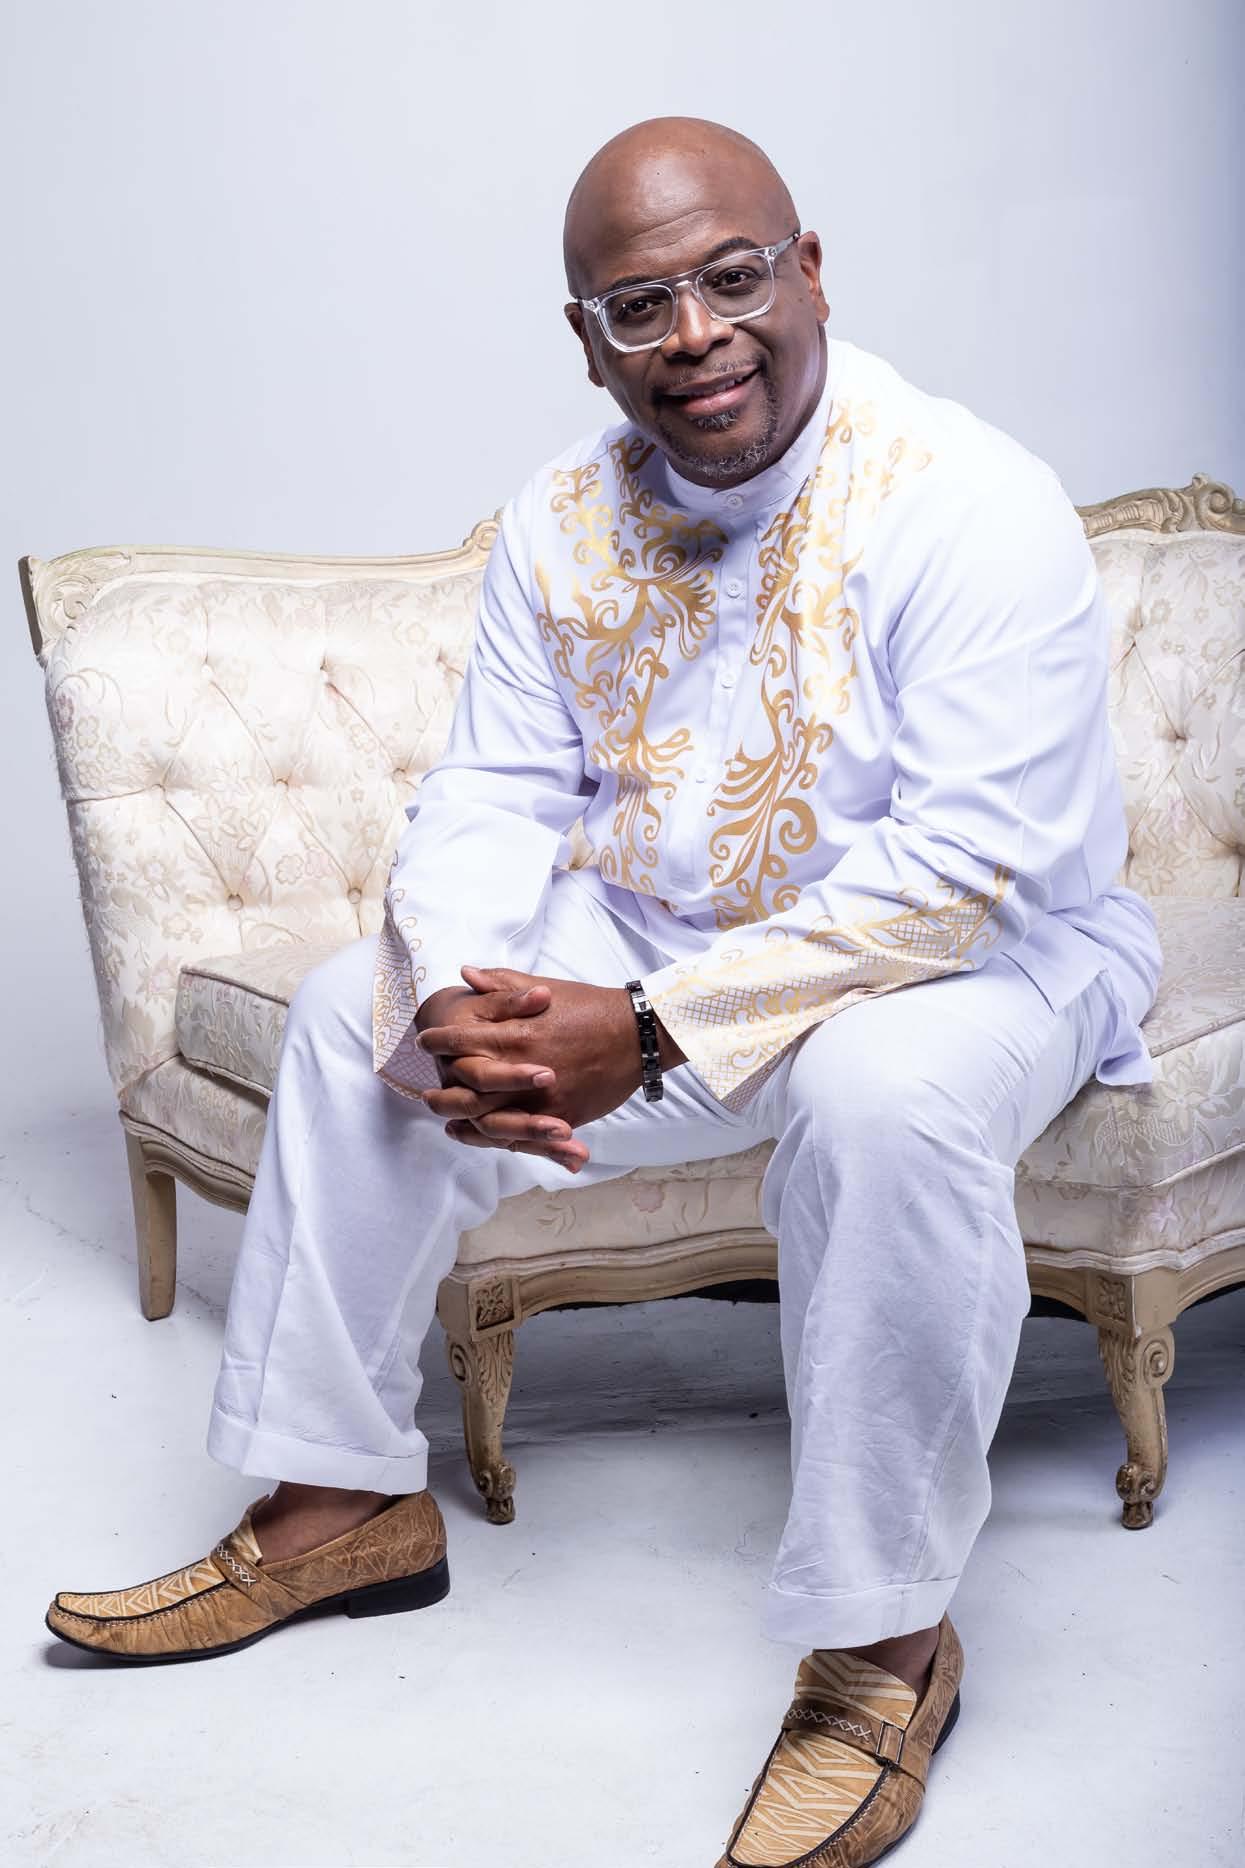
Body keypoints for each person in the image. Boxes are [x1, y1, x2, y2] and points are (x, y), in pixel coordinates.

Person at [47, 117, 1160, 1867]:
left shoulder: (967, 500)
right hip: (658, 928)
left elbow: (956, 874)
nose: (695, 334)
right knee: (350, 1015)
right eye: (639, 305)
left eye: (733, 278)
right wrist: (456, 997)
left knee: (878, 1096)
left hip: (981, 955)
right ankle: (341, 1501)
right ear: (586, 339)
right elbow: (493, 792)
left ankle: (883, 1647)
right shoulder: (562, 515)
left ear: (809, 273)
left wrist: (639, 1032)